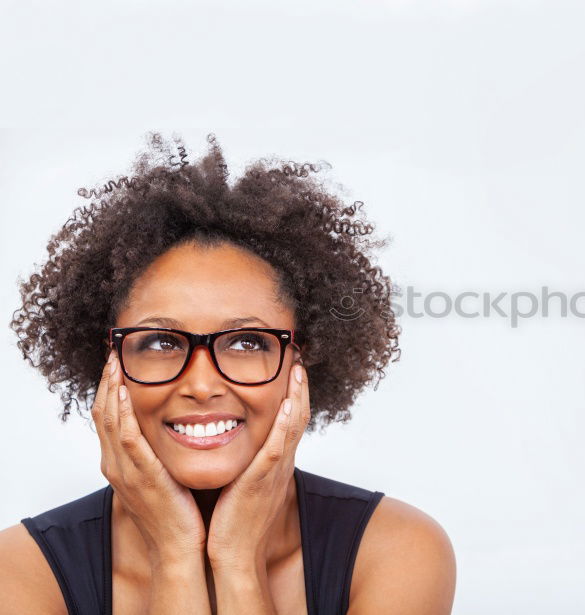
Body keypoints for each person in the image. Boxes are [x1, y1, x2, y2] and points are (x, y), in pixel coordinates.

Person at [0, 133, 457, 614]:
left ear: (301, 360)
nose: (200, 385)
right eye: (160, 342)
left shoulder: (396, 552)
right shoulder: (19, 572)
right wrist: (175, 556)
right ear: (110, 364)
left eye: (246, 342)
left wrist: (237, 561)